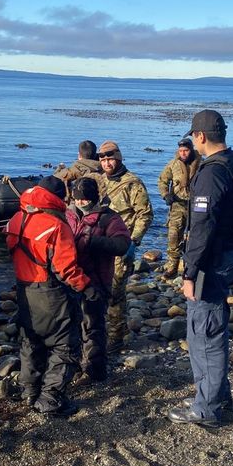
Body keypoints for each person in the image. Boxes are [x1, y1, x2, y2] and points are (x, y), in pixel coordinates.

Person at [168, 110, 233, 428]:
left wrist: (189, 272)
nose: (193, 142)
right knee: (214, 327)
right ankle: (218, 395)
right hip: (232, 253)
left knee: (204, 333)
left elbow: (202, 228)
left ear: (200, 136)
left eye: (194, 136)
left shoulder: (211, 173)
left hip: (212, 261)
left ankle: (206, 408)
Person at [4, 175, 96, 417]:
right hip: (50, 293)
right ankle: (50, 399)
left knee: (31, 341)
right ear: (58, 198)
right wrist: (86, 287)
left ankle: (29, 391)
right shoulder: (56, 225)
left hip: (24, 289)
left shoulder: (16, 219)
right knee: (65, 345)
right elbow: (66, 269)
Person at [65, 177, 131, 385]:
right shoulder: (68, 215)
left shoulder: (108, 218)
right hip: (71, 279)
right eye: (77, 198)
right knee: (72, 326)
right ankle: (75, 366)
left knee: (93, 326)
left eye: (84, 199)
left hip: (96, 281)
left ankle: (95, 371)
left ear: (93, 198)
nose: (80, 202)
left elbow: (122, 244)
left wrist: (92, 241)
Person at [91, 141, 153, 352]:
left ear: (118, 159)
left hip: (121, 245)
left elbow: (145, 214)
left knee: (115, 292)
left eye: (110, 159)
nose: (107, 163)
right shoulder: (98, 181)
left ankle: (116, 337)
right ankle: (105, 329)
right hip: (99, 245)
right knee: (98, 289)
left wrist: (133, 241)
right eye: (103, 160)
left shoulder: (132, 183)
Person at [157, 137, 200, 279]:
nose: (183, 153)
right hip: (177, 205)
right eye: (181, 151)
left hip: (196, 206)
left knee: (195, 237)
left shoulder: (201, 163)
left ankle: (191, 268)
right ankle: (172, 267)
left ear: (191, 150)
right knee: (174, 236)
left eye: (186, 150)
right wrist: (165, 195)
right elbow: (162, 180)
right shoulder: (173, 164)